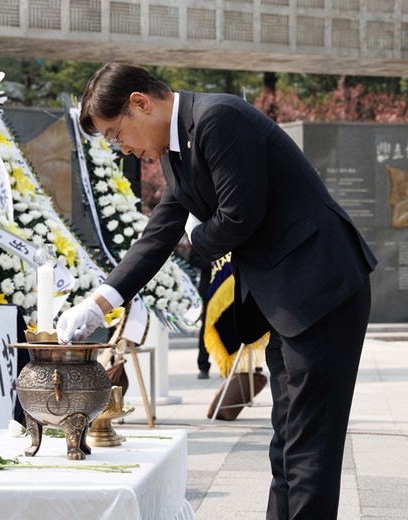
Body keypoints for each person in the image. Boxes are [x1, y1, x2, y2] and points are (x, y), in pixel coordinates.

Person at [56, 62, 377, 520]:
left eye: (114, 133)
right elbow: (159, 233)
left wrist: (197, 236)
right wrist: (100, 301)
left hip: (320, 287)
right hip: (288, 300)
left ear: (140, 103)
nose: (120, 147)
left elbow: (240, 215)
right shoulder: (175, 148)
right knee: (287, 445)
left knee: (310, 450)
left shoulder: (217, 118)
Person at [187, 247, 212, 379]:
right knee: (206, 326)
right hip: (208, 286)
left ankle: (230, 363)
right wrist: (212, 263)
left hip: (227, 286)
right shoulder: (203, 231)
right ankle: (203, 366)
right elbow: (193, 259)